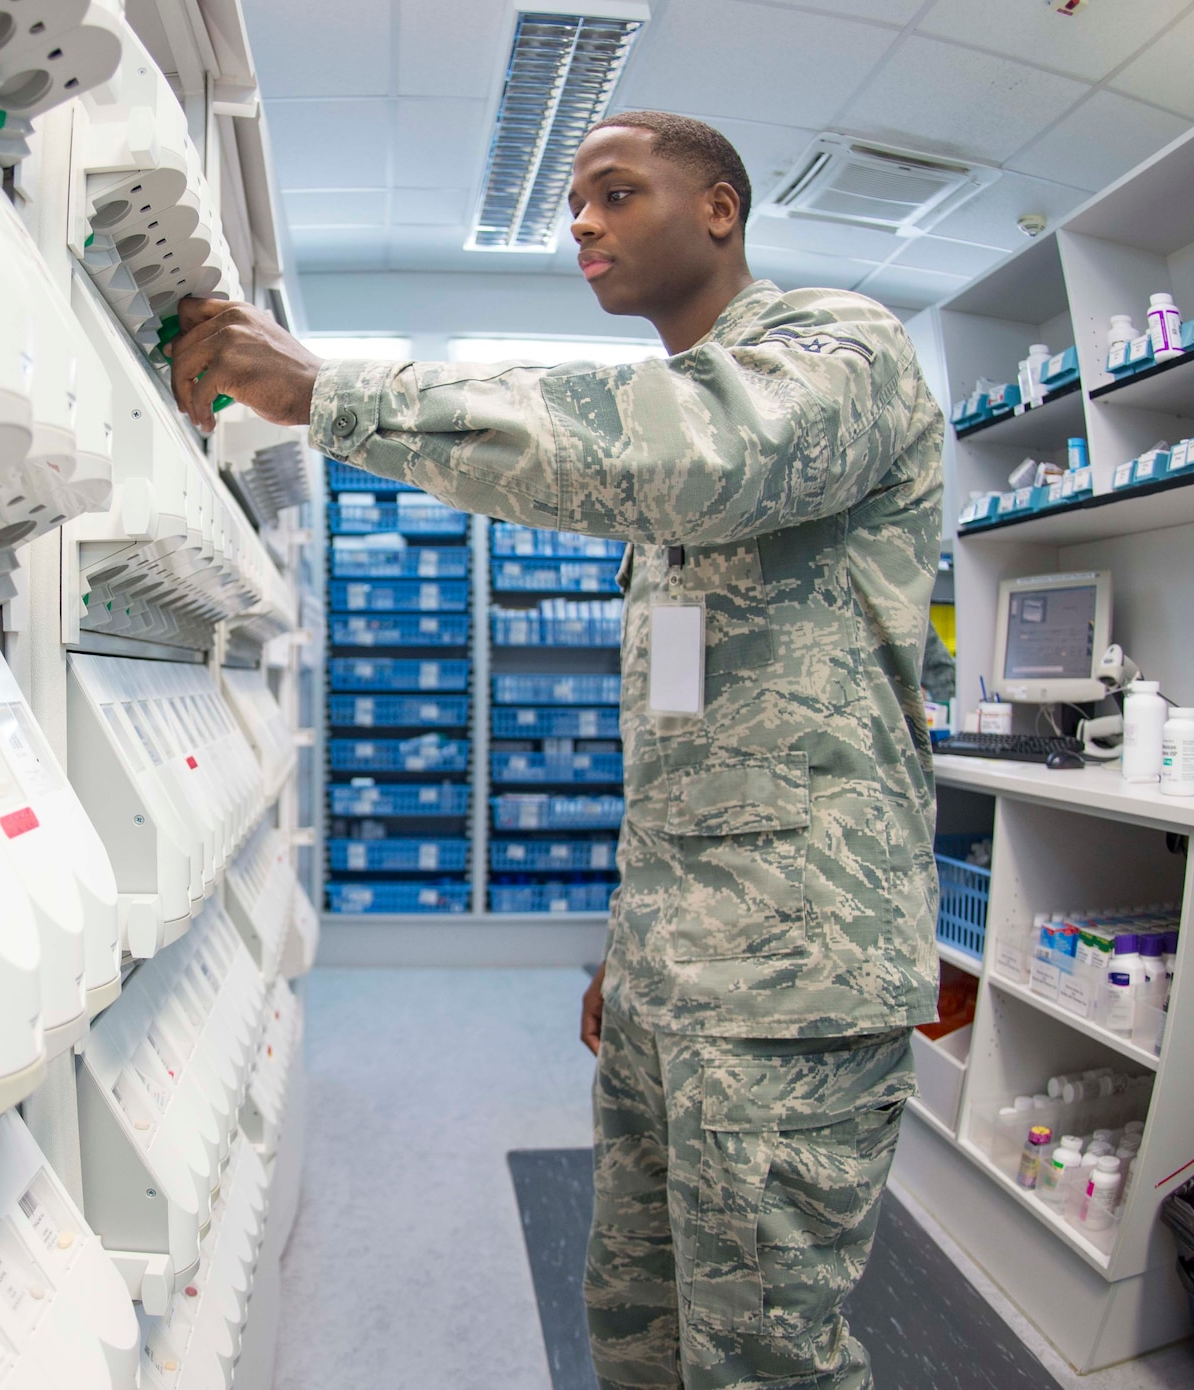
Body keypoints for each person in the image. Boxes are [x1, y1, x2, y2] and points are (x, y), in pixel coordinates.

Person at [163, 111, 943, 1390]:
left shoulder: (836, 352)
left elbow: (698, 451)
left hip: (791, 983)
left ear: (719, 209)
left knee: (763, 1358)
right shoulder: (675, 455)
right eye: (571, 201)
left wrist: (334, 391)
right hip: (672, 970)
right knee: (636, 1318)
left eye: (615, 191)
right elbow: (693, 735)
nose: (578, 222)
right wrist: (631, 942)